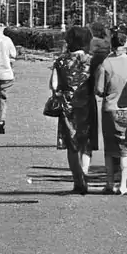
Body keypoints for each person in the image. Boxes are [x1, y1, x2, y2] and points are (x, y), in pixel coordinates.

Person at [49, 25, 97, 195]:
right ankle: (84, 174)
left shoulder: (61, 61)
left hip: (67, 105)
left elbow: (53, 85)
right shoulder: (91, 60)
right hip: (86, 104)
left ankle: (77, 180)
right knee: (86, 143)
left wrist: (61, 90)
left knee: (71, 145)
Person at [92, 37, 127, 195]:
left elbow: (99, 90)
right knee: (126, 148)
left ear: (111, 45)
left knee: (110, 147)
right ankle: (123, 184)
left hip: (110, 109)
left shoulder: (106, 64)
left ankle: (109, 183)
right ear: (126, 44)